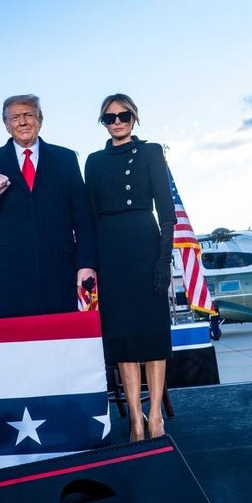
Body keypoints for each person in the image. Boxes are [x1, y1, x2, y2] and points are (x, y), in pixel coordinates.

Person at [84, 93, 177, 442]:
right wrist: (91, 265)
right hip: (111, 251)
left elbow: (166, 213)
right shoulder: (93, 161)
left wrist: (162, 261)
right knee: (123, 339)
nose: (117, 121)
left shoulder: (151, 153)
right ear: (103, 123)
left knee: (151, 333)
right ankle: (135, 420)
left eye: (123, 115)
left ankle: (155, 417)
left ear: (135, 118)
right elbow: (90, 218)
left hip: (144, 242)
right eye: (110, 117)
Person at [0, 94, 97, 318]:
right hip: (10, 274)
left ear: (40, 120)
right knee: (15, 345)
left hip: (59, 271)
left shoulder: (65, 158)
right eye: (15, 117)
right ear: (6, 125)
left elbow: (82, 217)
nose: (22, 122)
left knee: (61, 341)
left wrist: (86, 264)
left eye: (28, 115)